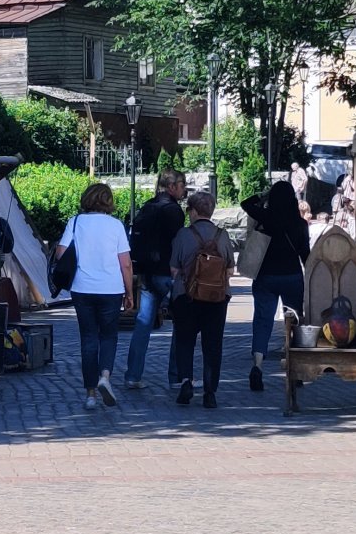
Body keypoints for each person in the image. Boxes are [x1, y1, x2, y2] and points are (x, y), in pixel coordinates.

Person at [56, 182, 133, 410]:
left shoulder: (76, 222)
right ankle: (105, 377)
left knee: (88, 339)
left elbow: (61, 253)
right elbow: (126, 263)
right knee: (108, 336)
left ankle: (90, 394)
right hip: (111, 288)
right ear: (108, 201)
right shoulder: (116, 225)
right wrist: (129, 292)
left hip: (82, 287)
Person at [242, 178, 310, 394]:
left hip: (265, 277)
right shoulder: (300, 224)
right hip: (292, 277)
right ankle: (295, 369)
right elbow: (305, 255)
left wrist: (263, 195)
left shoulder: (266, 218)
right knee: (294, 323)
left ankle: (257, 366)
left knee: (262, 322)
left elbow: (245, 204)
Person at [169, 191, 234, 408]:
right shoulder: (222, 236)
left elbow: (174, 269)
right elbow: (230, 271)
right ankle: (210, 391)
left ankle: (186, 380)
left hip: (186, 297)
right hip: (216, 298)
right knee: (213, 344)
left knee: (185, 340)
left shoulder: (183, 235)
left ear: (194, 212)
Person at [124, 168, 187, 389]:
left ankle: (133, 375)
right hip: (168, 273)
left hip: (147, 273)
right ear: (171, 186)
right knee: (181, 324)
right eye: (182, 184)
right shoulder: (174, 211)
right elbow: (178, 244)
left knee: (143, 325)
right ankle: (176, 376)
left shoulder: (147, 207)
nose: (184, 188)